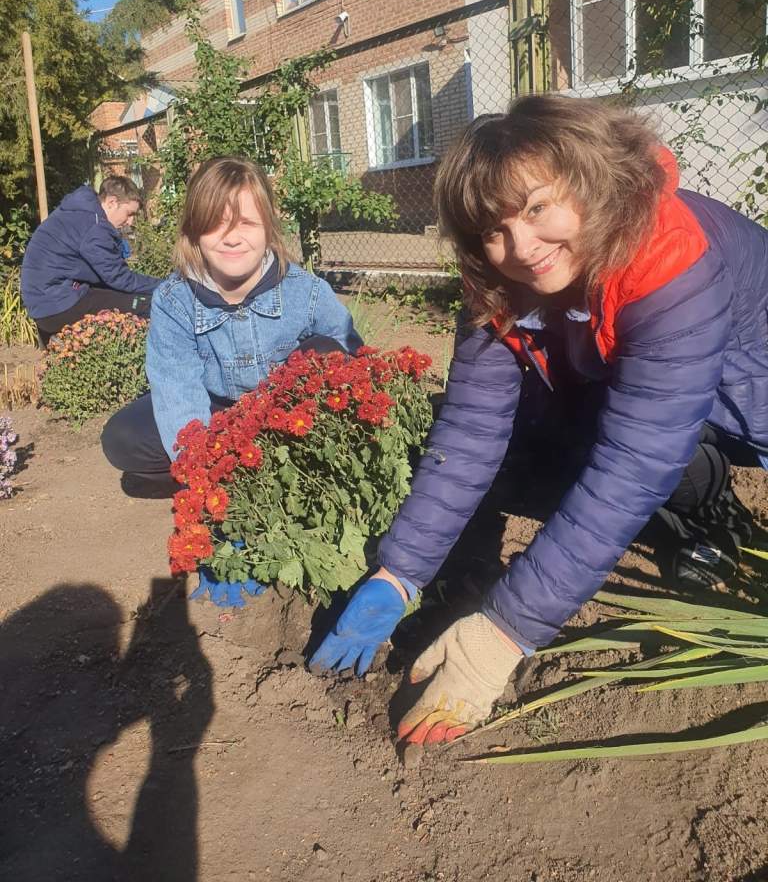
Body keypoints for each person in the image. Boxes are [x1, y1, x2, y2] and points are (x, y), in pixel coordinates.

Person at [310, 94, 768, 746]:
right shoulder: (500, 280)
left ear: (585, 182)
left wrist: (504, 630)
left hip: (741, 396)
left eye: (536, 208)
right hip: (634, 393)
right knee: (534, 446)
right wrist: (400, 572)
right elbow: (471, 426)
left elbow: (635, 460)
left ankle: (707, 529)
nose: (520, 246)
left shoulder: (669, 257)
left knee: (666, 458)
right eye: (492, 230)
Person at [101, 156, 362, 498]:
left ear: (269, 227)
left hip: (285, 412)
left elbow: (358, 360)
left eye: (247, 224)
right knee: (123, 437)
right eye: (215, 224)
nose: (232, 239)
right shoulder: (174, 299)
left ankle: (291, 462)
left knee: (331, 351)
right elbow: (177, 386)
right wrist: (203, 468)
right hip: (215, 410)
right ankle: (231, 469)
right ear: (193, 231)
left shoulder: (306, 291)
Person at [20, 176, 162, 344]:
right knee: (148, 304)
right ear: (111, 202)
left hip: (43, 302)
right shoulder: (94, 226)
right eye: (129, 214)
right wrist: (166, 286)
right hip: (57, 304)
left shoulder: (81, 212)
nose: (130, 222)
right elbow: (120, 279)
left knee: (122, 297)